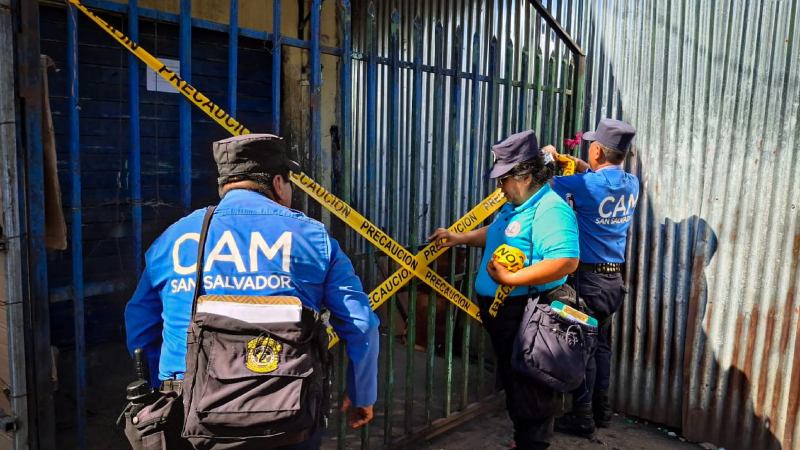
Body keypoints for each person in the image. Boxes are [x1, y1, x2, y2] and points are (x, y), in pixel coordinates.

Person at [125, 134, 380, 448]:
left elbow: (139, 325)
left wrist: (161, 387)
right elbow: (362, 325)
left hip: (190, 414)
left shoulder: (174, 238)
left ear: (224, 187)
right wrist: (361, 394)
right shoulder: (314, 237)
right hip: (288, 410)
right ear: (277, 183)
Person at [429, 130, 580, 450]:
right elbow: (497, 232)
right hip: (506, 315)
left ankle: (532, 444)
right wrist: (460, 238)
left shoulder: (550, 209)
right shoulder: (518, 205)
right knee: (516, 383)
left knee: (531, 387)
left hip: (527, 312)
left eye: (503, 179)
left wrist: (512, 280)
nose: (499, 186)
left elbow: (566, 261)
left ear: (524, 175)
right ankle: (523, 439)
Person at [543, 118, 639, 436]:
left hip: (587, 282)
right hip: (613, 282)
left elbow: (544, 184)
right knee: (602, 347)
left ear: (597, 149)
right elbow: (594, 175)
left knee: (581, 346)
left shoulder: (583, 185)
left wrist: (549, 158)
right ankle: (602, 411)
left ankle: (583, 417)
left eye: (591, 146)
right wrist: (574, 162)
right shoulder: (631, 183)